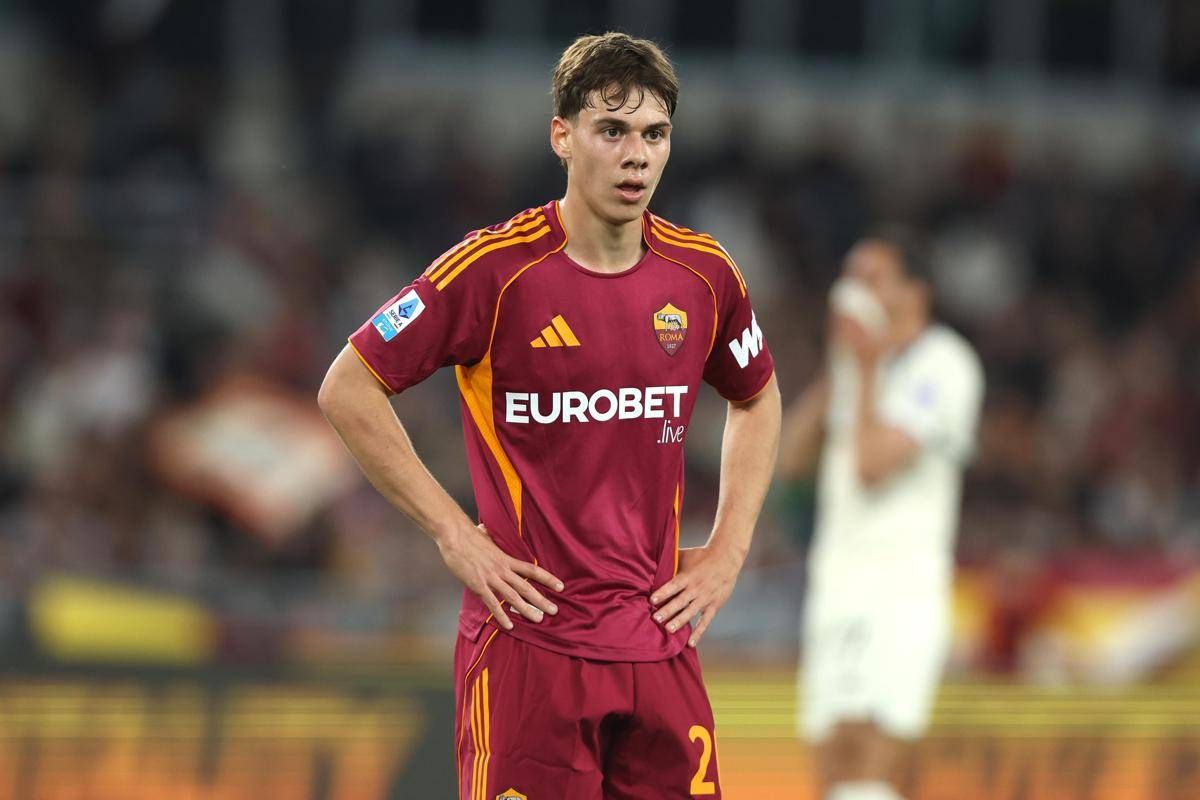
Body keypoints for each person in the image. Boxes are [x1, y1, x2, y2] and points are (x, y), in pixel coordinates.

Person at [318, 32, 780, 800]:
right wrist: (452, 532)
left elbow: (757, 396)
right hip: (529, 646)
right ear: (562, 136)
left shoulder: (704, 275)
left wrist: (730, 548)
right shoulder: (494, 270)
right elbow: (348, 386)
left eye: (655, 135)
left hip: (660, 646)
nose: (637, 157)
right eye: (613, 131)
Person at [779, 229, 984, 800]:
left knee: (869, 750)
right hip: (835, 582)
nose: (853, 292)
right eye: (849, 278)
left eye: (872, 278)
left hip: (898, 586)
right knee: (830, 755)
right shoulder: (854, 366)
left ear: (914, 291)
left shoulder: (944, 365)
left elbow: (872, 465)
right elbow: (790, 462)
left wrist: (866, 370)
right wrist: (840, 369)